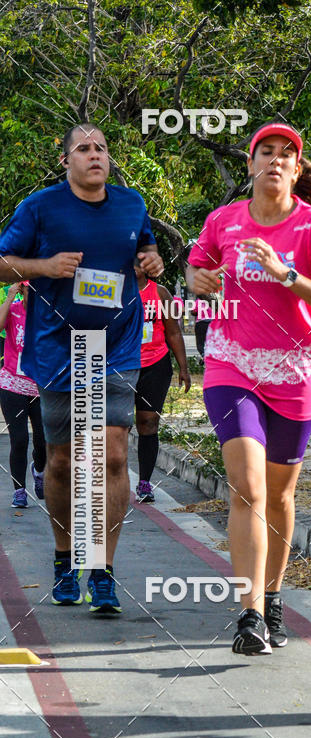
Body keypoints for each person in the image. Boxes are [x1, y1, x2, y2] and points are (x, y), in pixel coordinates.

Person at [187, 122, 311, 656]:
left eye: (288, 154)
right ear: (251, 164)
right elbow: (197, 268)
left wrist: (287, 276)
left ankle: (275, 598)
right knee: (247, 490)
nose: (276, 160)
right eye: (267, 151)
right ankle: (249, 613)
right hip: (232, 366)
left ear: (297, 168)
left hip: (295, 373)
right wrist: (199, 281)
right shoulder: (223, 220)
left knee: (281, 495)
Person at [0, 122, 164, 614]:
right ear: (67, 161)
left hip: (115, 345)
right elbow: (3, 261)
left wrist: (152, 261)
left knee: (113, 456)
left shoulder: (132, 204)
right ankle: (64, 559)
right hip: (58, 348)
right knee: (64, 461)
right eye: (84, 149)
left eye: (102, 148)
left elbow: (146, 250)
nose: (95, 155)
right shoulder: (40, 207)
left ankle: (103, 569)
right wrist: (43, 267)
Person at [134, 258, 191, 502]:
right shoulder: (110, 291)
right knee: (116, 424)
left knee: (148, 423)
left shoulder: (161, 293)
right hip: (122, 367)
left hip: (155, 364)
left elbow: (173, 331)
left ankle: (144, 482)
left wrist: (184, 367)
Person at [0, 281, 46, 508]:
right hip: (11, 385)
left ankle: (38, 471)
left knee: (43, 440)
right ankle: (19, 490)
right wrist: (9, 299)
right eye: (29, 288)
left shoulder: (48, 314)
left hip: (41, 388)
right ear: (21, 289)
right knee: (19, 439)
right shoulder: (13, 310)